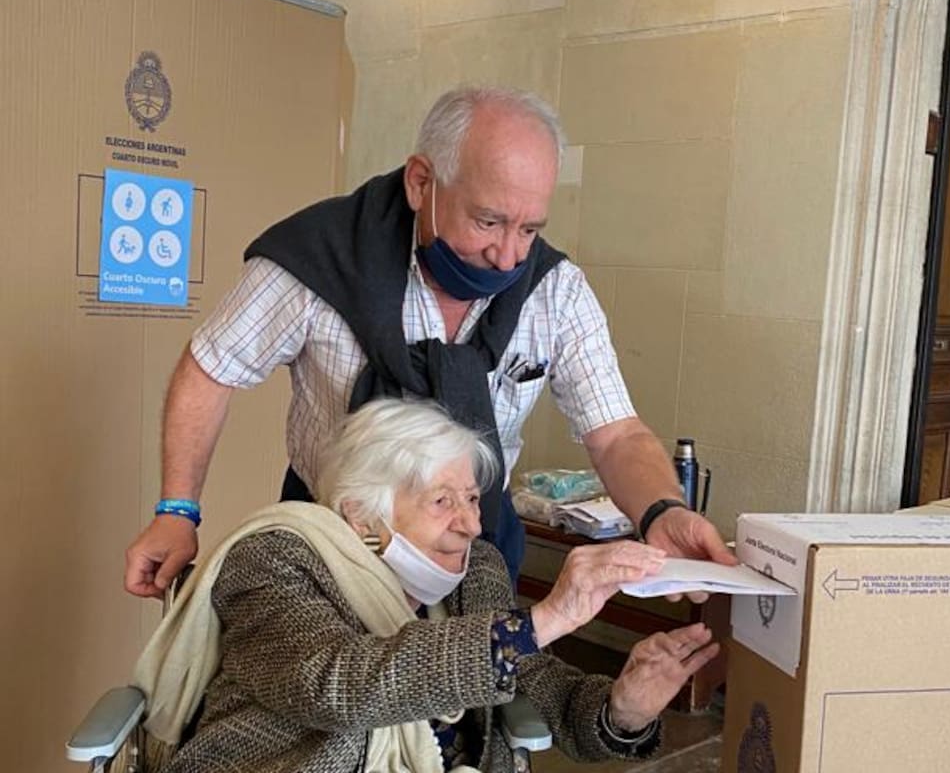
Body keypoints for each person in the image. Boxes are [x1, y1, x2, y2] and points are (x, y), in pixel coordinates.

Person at [125, 85, 735, 597]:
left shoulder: (555, 291)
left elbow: (617, 432)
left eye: (529, 228)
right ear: (422, 183)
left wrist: (661, 511)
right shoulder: (319, 260)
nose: (507, 254)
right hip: (328, 555)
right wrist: (177, 510)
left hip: (475, 556)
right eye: (488, 221)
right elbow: (211, 368)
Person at [134, 399, 719, 772]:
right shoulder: (275, 559)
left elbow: (533, 680)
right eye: (442, 502)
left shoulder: (476, 571)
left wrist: (624, 709)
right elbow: (335, 685)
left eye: (470, 498)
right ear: (362, 516)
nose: (469, 522)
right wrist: (542, 621)